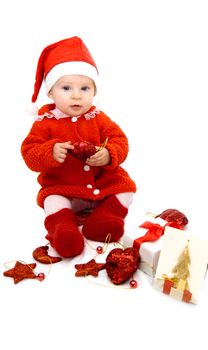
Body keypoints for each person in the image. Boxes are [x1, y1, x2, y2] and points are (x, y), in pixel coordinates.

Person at [21, 36, 136, 258]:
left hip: (102, 186)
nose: (77, 95)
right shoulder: (45, 122)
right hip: (64, 189)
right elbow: (29, 153)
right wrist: (49, 152)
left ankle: (105, 218)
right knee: (52, 200)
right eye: (66, 88)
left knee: (126, 189)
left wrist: (109, 154)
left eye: (85, 88)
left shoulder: (98, 118)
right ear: (51, 93)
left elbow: (120, 140)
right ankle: (62, 227)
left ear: (94, 92)